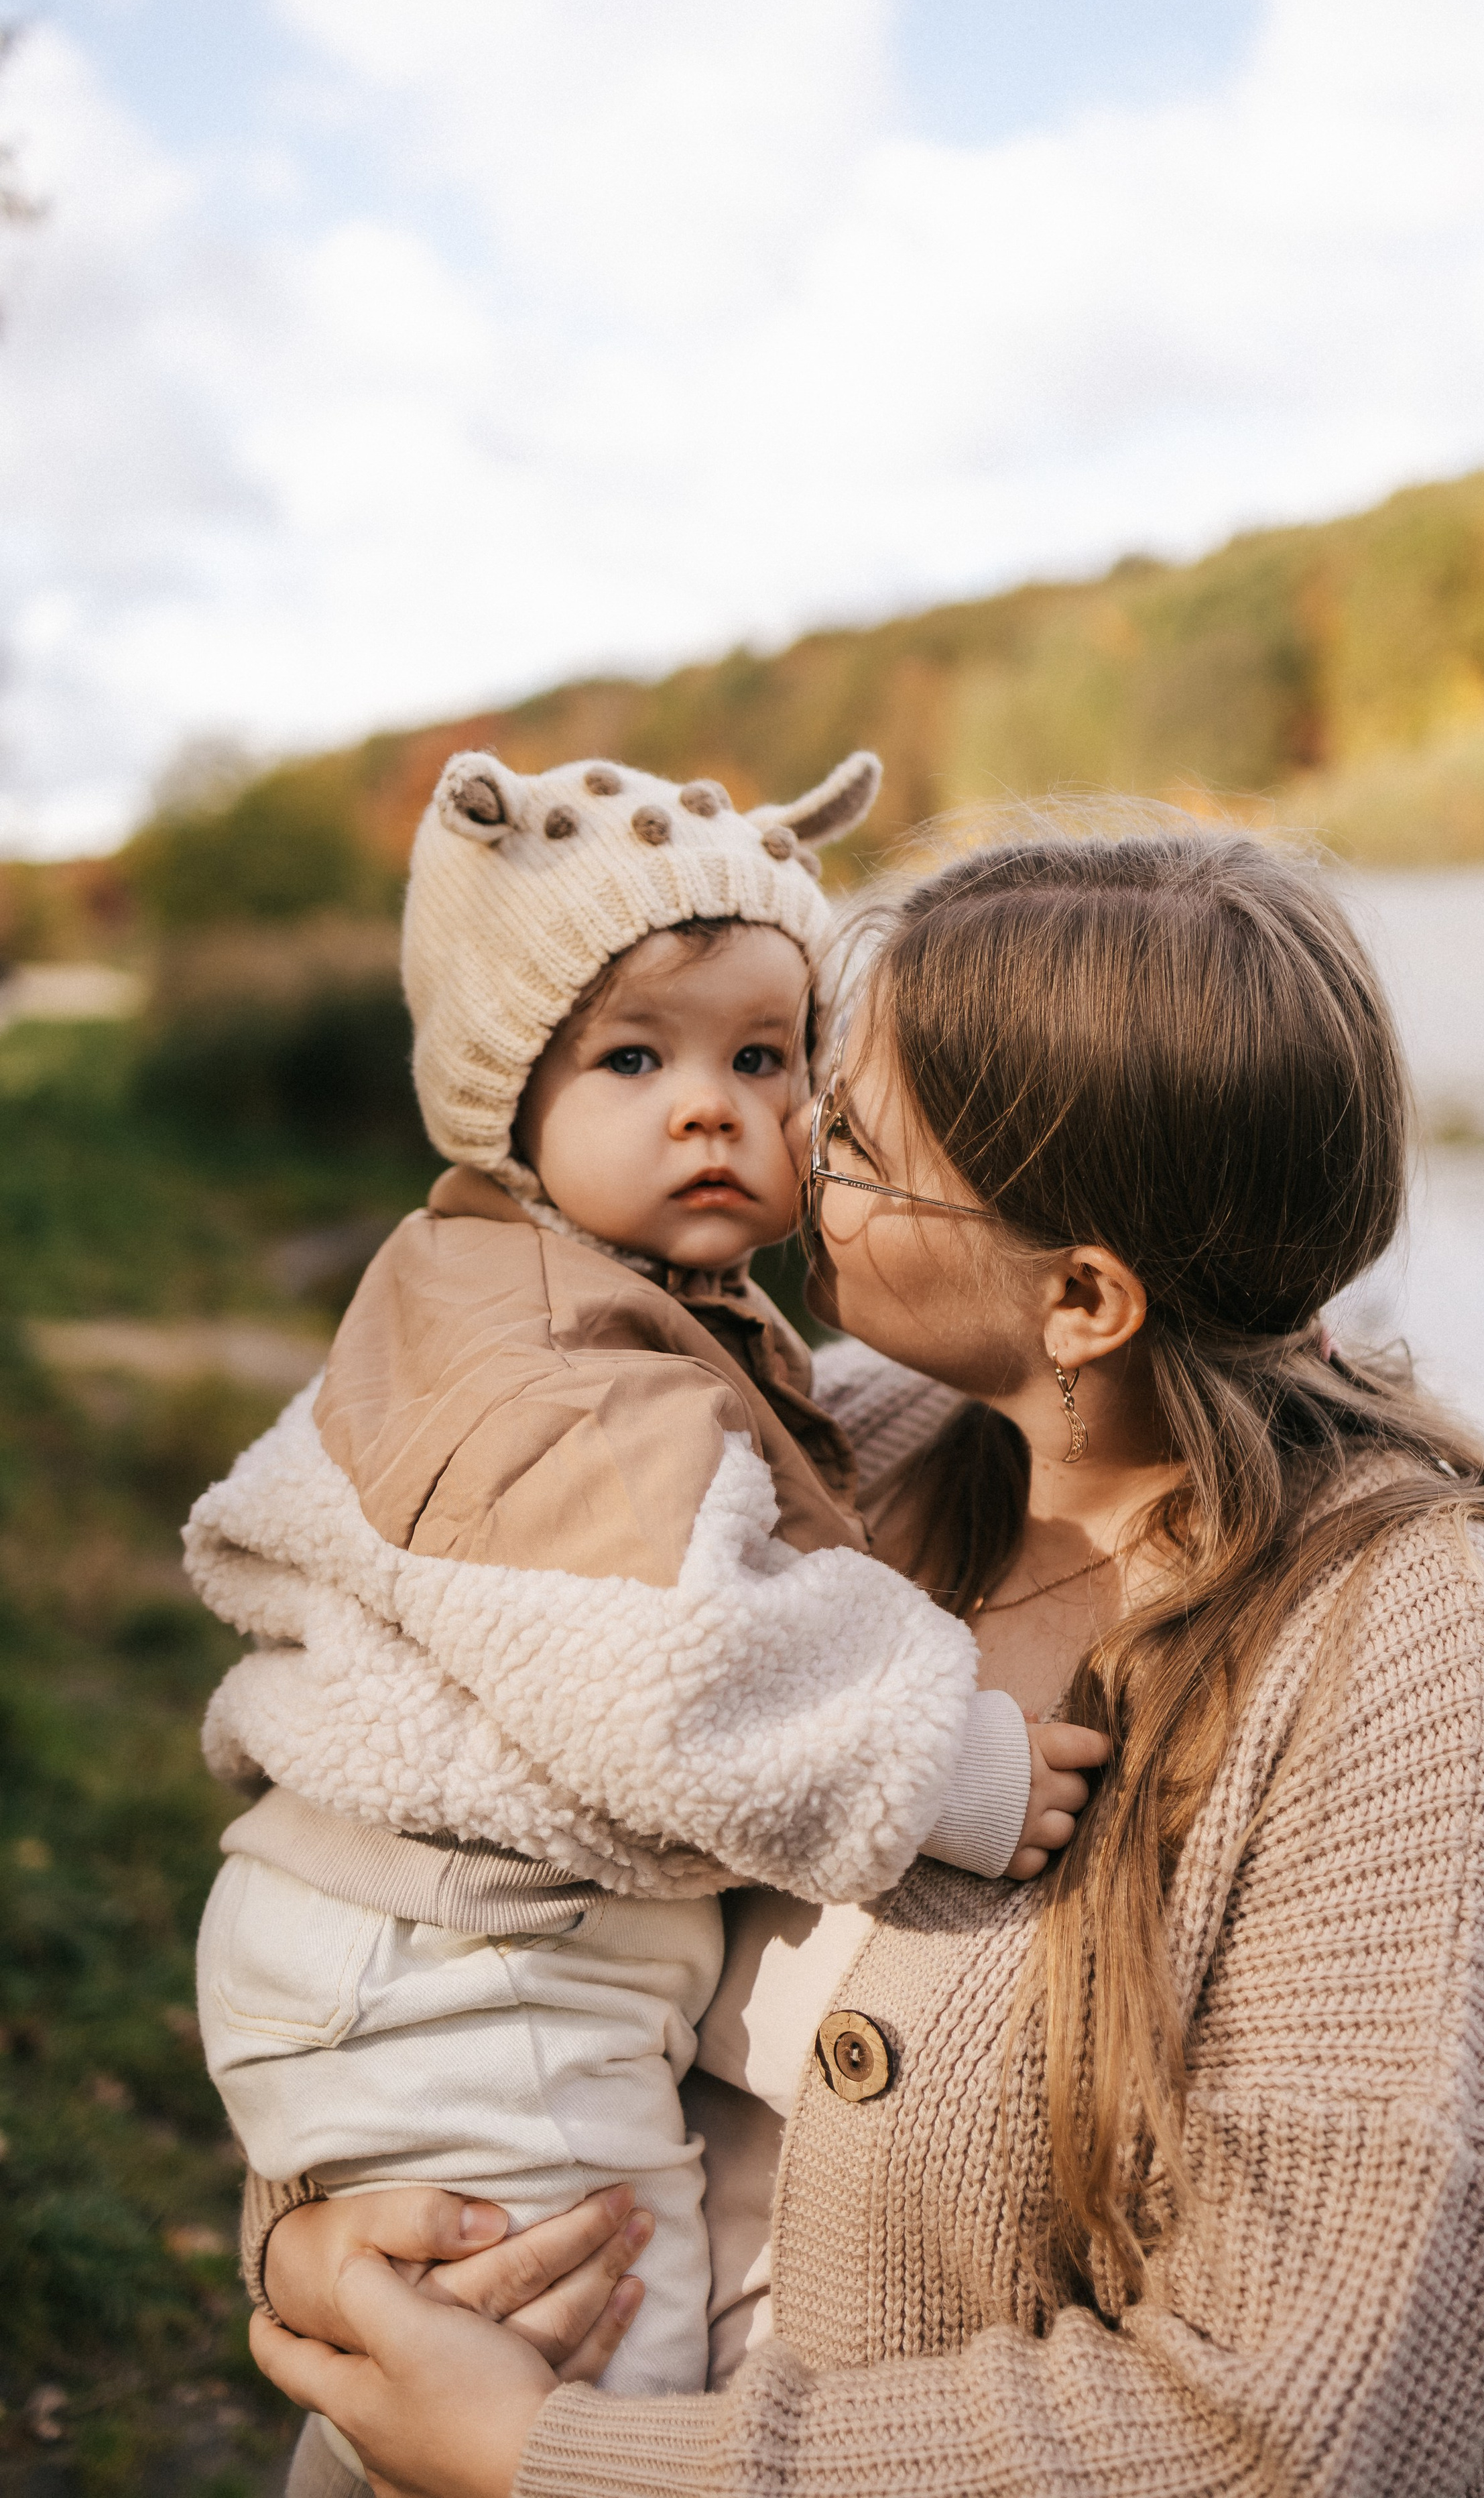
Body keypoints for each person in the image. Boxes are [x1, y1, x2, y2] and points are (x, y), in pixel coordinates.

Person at [242, 823, 1484, 2498]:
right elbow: (428, 1855)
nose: (772, 1140)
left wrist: (555, 2458)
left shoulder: (1421, 1666)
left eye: (845, 1137)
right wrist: (325, 2236)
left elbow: (1297, 2437)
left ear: (1081, 1300)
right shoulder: (844, 1460)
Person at [186, 755, 1103, 2474]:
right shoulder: (555, 1368)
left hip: (436, 1947)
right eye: (634, 1057)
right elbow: (677, 1676)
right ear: (501, 1098)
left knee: (461, 2355)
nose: (711, 1107)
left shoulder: (599, 1298)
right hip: (477, 1969)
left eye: (763, 1058)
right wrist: (956, 1769)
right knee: (598, 2369)